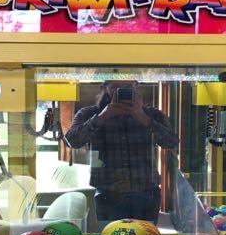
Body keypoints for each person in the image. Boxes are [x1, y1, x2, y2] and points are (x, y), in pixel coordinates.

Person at [64, 80, 178, 223]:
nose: (121, 91)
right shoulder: (89, 113)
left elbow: (172, 143)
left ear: (136, 87)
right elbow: (71, 141)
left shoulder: (152, 114)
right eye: (115, 87)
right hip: (108, 193)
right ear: (105, 87)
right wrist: (102, 117)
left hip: (145, 192)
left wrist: (143, 118)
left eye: (128, 87)